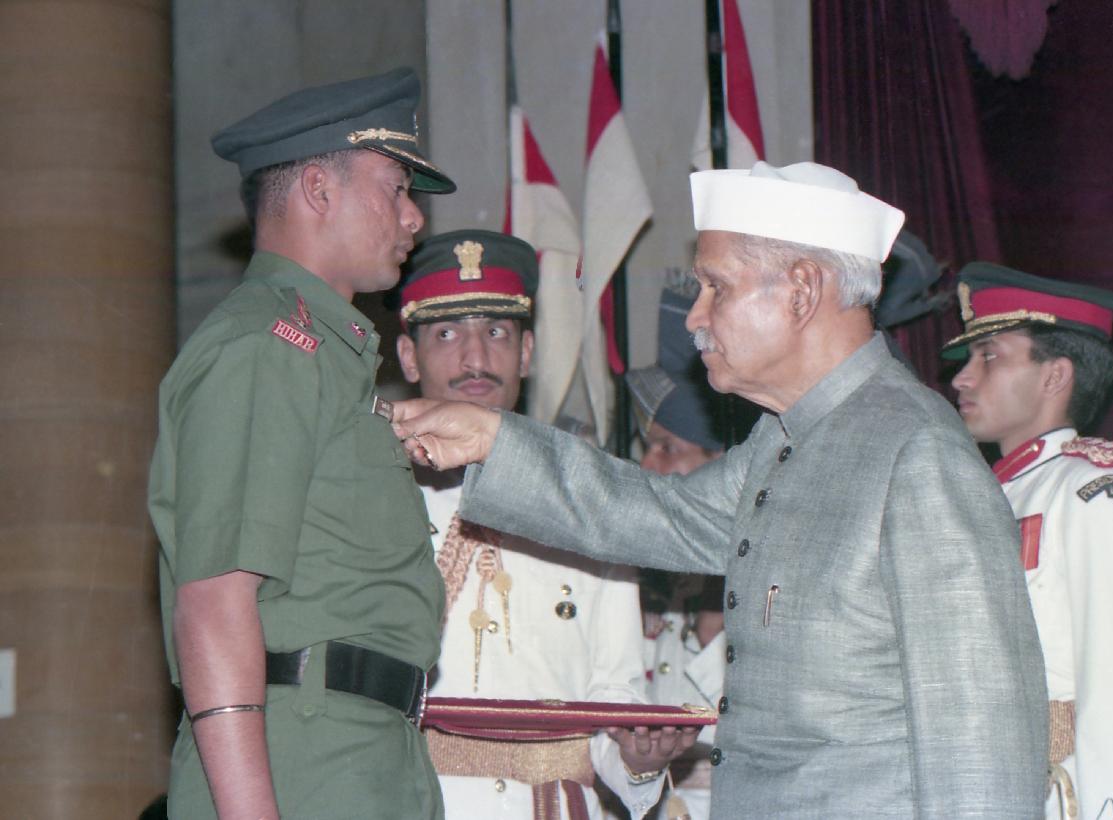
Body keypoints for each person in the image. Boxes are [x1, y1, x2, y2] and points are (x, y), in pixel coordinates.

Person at [392, 161, 1050, 818]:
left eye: (716, 287)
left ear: (800, 291)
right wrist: (492, 439)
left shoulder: (918, 454)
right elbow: (653, 513)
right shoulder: (782, 440)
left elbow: (981, 755)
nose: (695, 318)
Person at [148, 67, 454, 820]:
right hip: (303, 762)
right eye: (396, 189)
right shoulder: (267, 348)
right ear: (319, 189)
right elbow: (215, 602)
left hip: (364, 758)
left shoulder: (325, 357)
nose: (413, 218)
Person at [393, 229, 688, 819]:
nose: (476, 359)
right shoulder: (370, 493)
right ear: (407, 356)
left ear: (527, 351)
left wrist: (638, 760)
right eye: (447, 334)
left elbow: (614, 694)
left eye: (497, 333)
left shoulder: (589, 500)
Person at [942, 263, 1113, 820]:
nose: (962, 379)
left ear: (1054, 377)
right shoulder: (983, 495)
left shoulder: (1096, 493)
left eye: (988, 356)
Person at [626, 281, 747, 820]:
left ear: (719, 467)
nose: (648, 465)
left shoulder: (760, 569)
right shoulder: (648, 573)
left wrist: (713, 625)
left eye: (668, 448)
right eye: (647, 447)